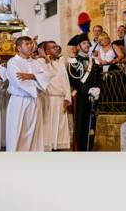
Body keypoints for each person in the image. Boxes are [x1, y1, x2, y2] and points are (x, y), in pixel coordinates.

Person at [4, 34, 46, 152]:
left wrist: (32, 76)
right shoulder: (13, 62)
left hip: (34, 100)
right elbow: (19, 81)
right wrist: (36, 79)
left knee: (34, 130)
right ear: (19, 48)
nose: (30, 46)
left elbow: (45, 78)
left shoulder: (36, 62)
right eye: (27, 44)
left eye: (31, 43)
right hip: (19, 100)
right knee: (18, 130)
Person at [66, 18, 101, 152]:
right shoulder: (73, 61)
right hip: (80, 97)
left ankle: (89, 150)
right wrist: (89, 90)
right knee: (80, 125)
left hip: (93, 97)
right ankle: (79, 151)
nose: (87, 45)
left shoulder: (94, 61)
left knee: (91, 126)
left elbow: (99, 77)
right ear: (79, 46)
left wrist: (98, 89)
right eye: (84, 43)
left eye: (88, 42)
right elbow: (74, 80)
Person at [39, 40, 72, 151]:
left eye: (57, 46)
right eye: (53, 47)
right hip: (48, 98)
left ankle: (58, 146)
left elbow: (66, 81)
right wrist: (47, 60)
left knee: (60, 125)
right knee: (48, 125)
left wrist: (67, 97)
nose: (57, 48)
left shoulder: (60, 64)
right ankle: (48, 147)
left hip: (60, 98)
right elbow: (46, 77)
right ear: (46, 50)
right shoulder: (40, 62)